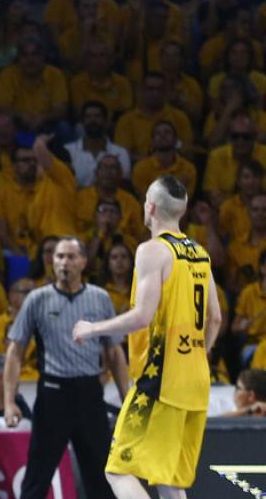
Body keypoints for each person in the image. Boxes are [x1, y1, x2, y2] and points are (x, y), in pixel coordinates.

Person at [74, 176, 224, 499]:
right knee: (167, 478)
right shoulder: (199, 253)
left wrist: (93, 328)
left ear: (151, 207)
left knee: (119, 471)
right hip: (195, 380)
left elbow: (142, 315)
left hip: (160, 380)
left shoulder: (152, 251)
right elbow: (215, 318)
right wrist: (200, 353)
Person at [5, 237, 129, 499]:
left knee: (100, 475)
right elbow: (15, 352)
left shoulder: (100, 298)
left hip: (89, 393)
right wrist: (9, 401)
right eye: (59, 256)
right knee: (38, 474)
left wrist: (126, 397)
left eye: (71, 257)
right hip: (53, 393)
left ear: (84, 262)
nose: (64, 262)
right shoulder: (37, 299)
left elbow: (114, 352)